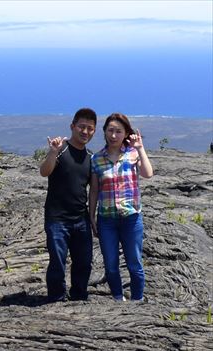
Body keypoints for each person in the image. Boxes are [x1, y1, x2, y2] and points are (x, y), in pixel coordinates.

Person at [89, 113, 153, 302]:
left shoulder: (132, 153)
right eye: (110, 130)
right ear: (104, 132)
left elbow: (148, 173)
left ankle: (137, 300)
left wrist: (140, 148)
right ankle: (118, 298)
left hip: (131, 218)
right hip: (106, 219)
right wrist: (91, 216)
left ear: (126, 133)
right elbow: (94, 190)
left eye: (119, 131)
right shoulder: (96, 159)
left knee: (134, 263)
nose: (114, 135)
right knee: (110, 265)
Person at [40, 107, 97, 302]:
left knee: (84, 262)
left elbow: (92, 189)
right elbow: (44, 172)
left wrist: (92, 216)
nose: (85, 132)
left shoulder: (91, 157)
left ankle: (79, 296)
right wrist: (52, 152)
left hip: (80, 219)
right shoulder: (61, 150)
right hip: (57, 219)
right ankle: (56, 297)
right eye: (82, 127)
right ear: (72, 126)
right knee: (57, 261)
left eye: (90, 128)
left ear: (94, 131)